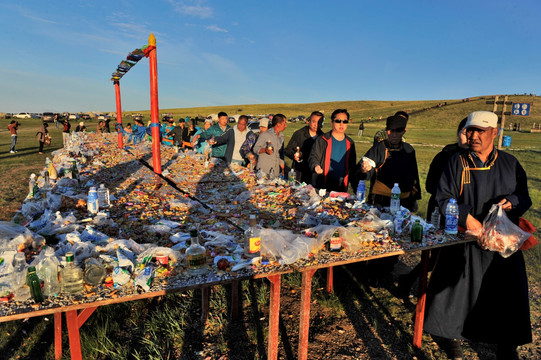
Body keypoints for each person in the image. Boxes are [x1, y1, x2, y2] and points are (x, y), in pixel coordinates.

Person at [424, 111, 532, 360]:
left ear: (494, 133)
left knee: (505, 292)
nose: (473, 136)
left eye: (480, 131)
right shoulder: (457, 162)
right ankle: (449, 337)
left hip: (501, 241)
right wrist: (467, 217)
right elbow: (443, 197)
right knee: (455, 291)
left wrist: (512, 201)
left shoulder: (511, 163)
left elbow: (524, 196)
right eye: (470, 130)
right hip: (468, 238)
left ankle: (506, 345)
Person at [397, 117, 469, 296]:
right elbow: (430, 185)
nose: (468, 137)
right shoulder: (445, 155)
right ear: (458, 133)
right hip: (441, 211)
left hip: (467, 216)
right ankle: (414, 285)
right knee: (436, 255)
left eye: (472, 132)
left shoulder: (477, 158)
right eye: (465, 132)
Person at [358, 112, 421, 211]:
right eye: (391, 131)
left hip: (404, 202)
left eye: (398, 131)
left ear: (404, 131)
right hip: (381, 201)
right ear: (386, 131)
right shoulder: (379, 148)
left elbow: (414, 175)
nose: (394, 135)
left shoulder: (409, 149)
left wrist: (414, 198)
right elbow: (364, 170)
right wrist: (364, 169)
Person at [308, 109, 357, 192]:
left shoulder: (350, 143)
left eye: (345, 121)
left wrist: (355, 186)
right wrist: (315, 166)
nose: (341, 124)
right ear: (332, 122)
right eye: (338, 121)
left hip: (342, 186)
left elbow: (352, 167)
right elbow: (313, 157)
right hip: (323, 184)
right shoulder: (322, 140)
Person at [284, 111, 324, 184]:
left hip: (315, 175)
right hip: (299, 173)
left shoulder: (323, 137)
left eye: (319, 122)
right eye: (314, 121)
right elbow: (287, 150)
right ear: (309, 121)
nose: (316, 125)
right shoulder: (299, 134)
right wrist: (294, 155)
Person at [253, 114, 287, 178]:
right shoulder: (265, 135)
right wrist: (265, 150)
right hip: (264, 172)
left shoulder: (281, 137)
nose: (286, 125)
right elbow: (255, 148)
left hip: (275, 171)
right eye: (284, 123)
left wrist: (282, 168)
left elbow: (279, 153)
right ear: (278, 124)